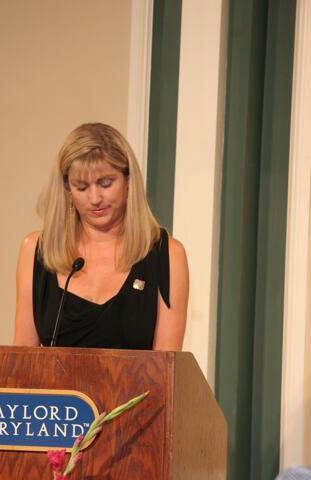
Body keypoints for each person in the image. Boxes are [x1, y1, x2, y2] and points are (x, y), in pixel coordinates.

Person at [13, 122, 189, 350]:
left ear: (128, 181)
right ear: (67, 188)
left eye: (105, 183)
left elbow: (166, 373)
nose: (95, 198)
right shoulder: (36, 250)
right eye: (82, 187)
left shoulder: (167, 256)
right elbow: (20, 363)